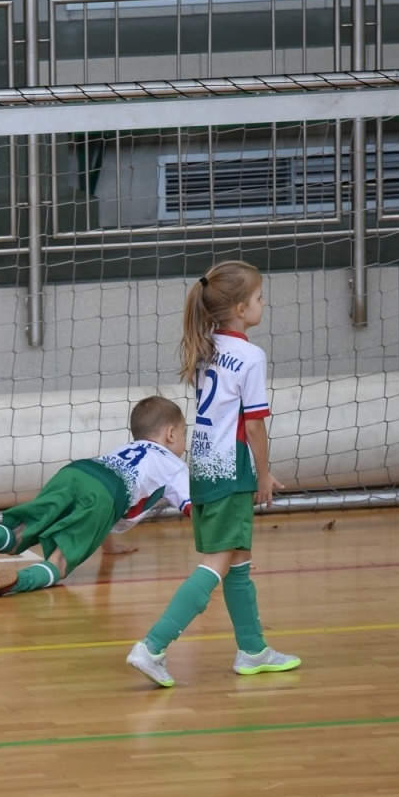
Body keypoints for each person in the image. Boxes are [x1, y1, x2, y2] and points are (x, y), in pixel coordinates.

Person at [125, 261, 300, 689]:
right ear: (240, 309)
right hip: (231, 471)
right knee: (217, 564)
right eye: (259, 298)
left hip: (203, 470)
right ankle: (152, 646)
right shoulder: (249, 356)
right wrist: (263, 475)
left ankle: (253, 650)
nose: (263, 304)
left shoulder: (207, 348)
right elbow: (254, 426)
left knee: (238, 561)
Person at [0, 395, 191, 600]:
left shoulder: (127, 449)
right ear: (171, 434)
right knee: (58, 563)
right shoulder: (174, 466)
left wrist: (110, 547)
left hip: (76, 472)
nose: (183, 442)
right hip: (104, 495)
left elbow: (108, 516)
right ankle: (16, 581)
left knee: (23, 531)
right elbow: (196, 509)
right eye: (184, 435)